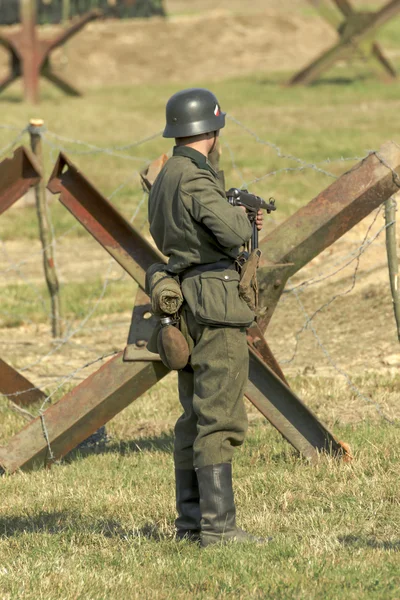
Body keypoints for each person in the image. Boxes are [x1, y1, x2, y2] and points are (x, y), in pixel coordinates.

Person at [148, 88, 264, 547]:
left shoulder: (165, 175)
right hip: (214, 304)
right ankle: (218, 529)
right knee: (220, 416)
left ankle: (190, 524)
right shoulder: (195, 179)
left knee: (193, 417)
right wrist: (241, 215)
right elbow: (234, 233)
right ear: (211, 130)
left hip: (185, 301)